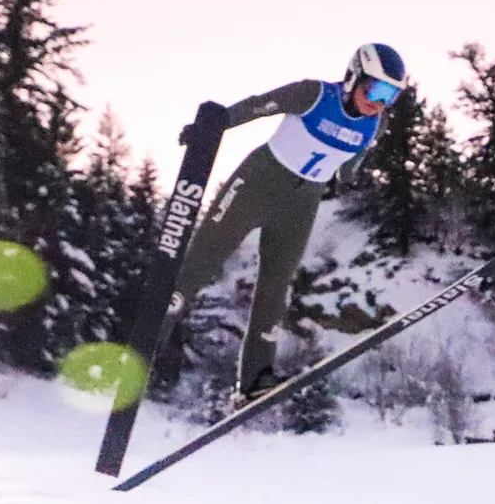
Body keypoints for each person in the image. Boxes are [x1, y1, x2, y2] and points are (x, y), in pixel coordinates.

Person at [166, 43, 407, 400]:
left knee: (277, 287)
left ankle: (254, 379)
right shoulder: (313, 94)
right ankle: (152, 332)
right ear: (354, 76)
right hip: (260, 180)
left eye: (391, 95)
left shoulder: (375, 123)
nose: (380, 102)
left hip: (302, 201)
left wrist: (350, 178)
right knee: (204, 259)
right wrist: (214, 127)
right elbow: (259, 105)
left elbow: (351, 161)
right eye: (377, 89)